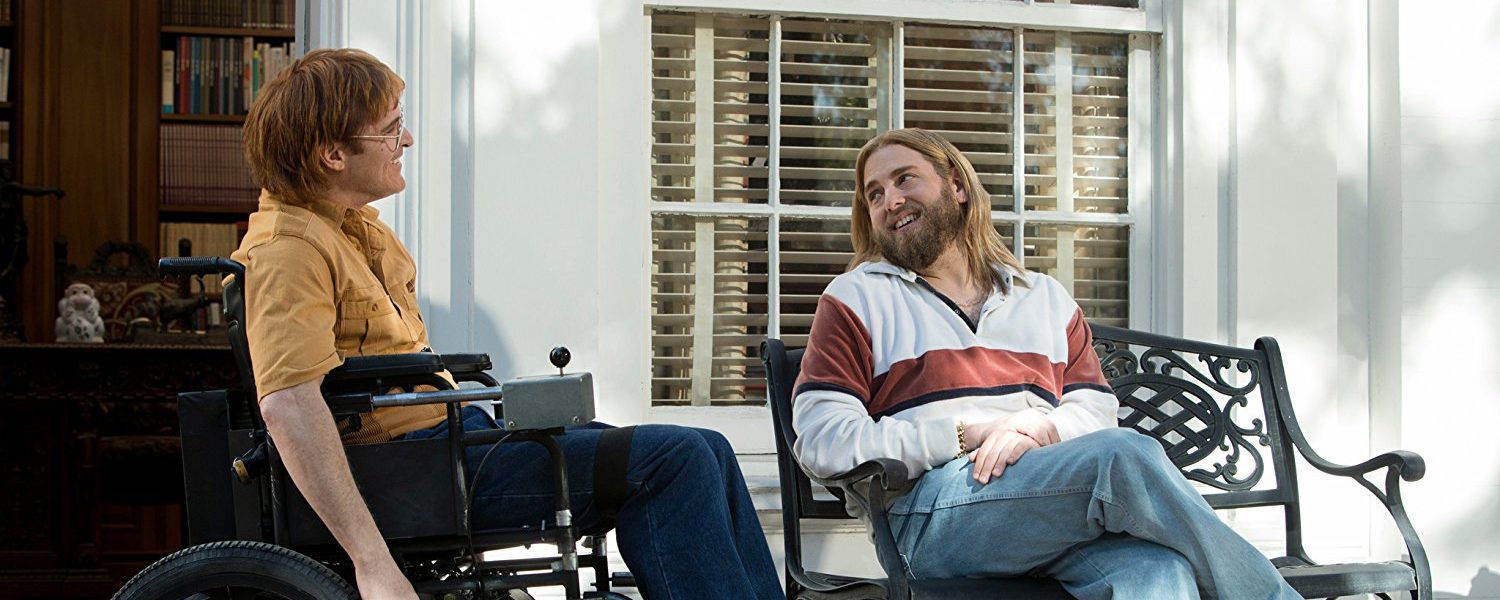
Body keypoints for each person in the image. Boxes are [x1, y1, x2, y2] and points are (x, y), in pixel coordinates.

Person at [236, 48, 781, 600]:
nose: (407, 140)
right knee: (674, 461)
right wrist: (372, 562)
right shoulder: (288, 250)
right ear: (332, 154)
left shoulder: (353, 230)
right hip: (410, 473)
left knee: (708, 447)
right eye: (391, 129)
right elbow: (290, 407)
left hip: (448, 442)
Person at [791, 128, 1301, 599]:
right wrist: (969, 434)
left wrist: (1041, 429)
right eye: (874, 194)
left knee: (1158, 573)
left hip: (1053, 508)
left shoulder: (1043, 298)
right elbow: (823, 441)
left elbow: (1096, 410)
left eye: (904, 179)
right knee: (1122, 456)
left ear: (957, 187)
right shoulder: (856, 298)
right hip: (930, 518)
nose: (891, 200)